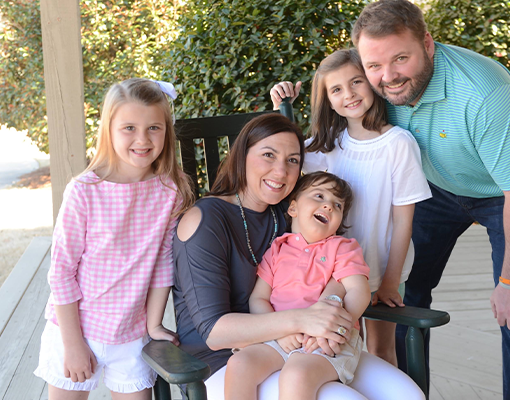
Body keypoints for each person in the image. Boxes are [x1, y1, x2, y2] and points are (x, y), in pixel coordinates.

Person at [350, 1, 510, 399]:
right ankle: (409, 393)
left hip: (507, 190)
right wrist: (283, 98)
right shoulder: (371, 80)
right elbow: (332, 91)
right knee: (401, 295)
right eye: (373, 65)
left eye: (401, 58)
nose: (388, 77)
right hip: (434, 186)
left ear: (427, 44)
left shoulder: (483, 93)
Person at [173, 113, 425, 400]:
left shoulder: (286, 214)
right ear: (241, 156)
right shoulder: (205, 220)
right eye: (268, 155)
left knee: (407, 395)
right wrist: (303, 321)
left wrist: (327, 308)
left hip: (315, 337)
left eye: (292, 160)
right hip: (222, 361)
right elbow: (215, 333)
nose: (281, 171)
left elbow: (336, 267)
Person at [270, 48, 432, 367]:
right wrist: (281, 107)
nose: (350, 94)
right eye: (337, 89)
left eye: (356, 82)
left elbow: (403, 222)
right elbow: (285, 152)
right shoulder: (328, 146)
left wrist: (388, 281)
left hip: (383, 265)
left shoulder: (398, 144)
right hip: (333, 271)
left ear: (371, 82)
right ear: (328, 101)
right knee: (330, 344)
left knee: (381, 349)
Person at [34, 78, 194, 400]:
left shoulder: (169, 191)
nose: (143, 139)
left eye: (154, 128)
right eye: (129, 128)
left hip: (131, 334)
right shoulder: (85, 191)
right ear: (109, 129)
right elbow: (62, 271)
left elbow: (163, 262)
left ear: (167, 131)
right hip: (76, 330)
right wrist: (73, 343)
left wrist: (153, 325)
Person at [225, 171, 371, 399]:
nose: (329, 206)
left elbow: (358, 290)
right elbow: (258, 298)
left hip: (326, 340)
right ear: (293, 208)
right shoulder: (277, 249)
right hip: (281, 336)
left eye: (338, 205)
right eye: (319, 196)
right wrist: (279, 332)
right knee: (239, 364)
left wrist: (334, 327)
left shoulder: (342, 247)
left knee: (296, 375)